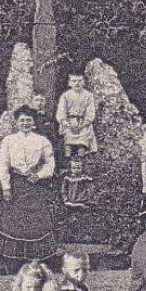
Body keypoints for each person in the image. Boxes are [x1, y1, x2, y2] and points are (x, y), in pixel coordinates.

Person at [0, 106, 58, 264]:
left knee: (36, 220)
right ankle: (14, 261)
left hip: (34, 185)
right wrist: (6, 188)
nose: (25, 123)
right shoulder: (8, 141)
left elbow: (50, 164)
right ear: (16, 122)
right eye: (22, 120)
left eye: (28, 120)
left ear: (33, 122)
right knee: (15, 221)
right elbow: (3, 165)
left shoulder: (42, 141)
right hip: (16, 184)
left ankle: (36, 259)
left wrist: (39, 175)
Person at [55, 72, 99, 208]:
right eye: (74, 81)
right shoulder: (66, 96)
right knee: (68, 145)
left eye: (79, 81)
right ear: (69, 83)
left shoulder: (88, 95)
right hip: (70, 122)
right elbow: (61, 112)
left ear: (83, 82)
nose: (77, 83)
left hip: (83, 124)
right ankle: (70, 171)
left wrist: (84, 123)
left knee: (82, 145)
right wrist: (66, 123)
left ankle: (81, 170)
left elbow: (91, 112)